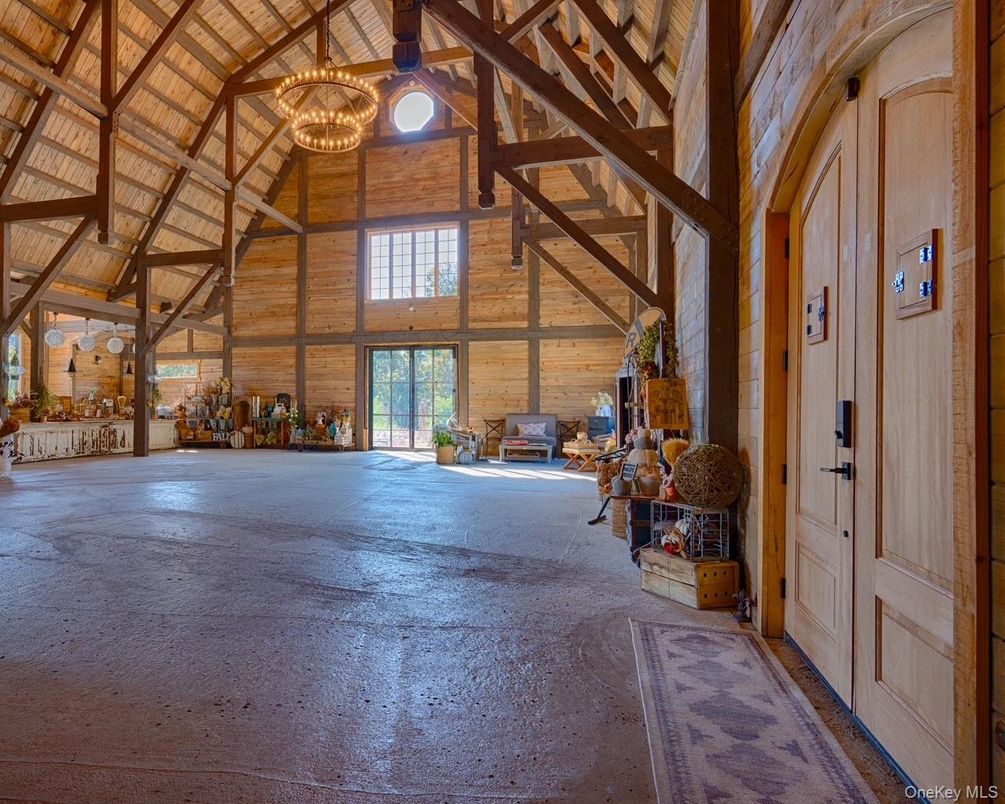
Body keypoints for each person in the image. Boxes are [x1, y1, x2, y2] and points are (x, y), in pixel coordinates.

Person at [0, 412, 21, 478]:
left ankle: (4, 471)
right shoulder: (8, 435)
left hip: (5, 449)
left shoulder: (6, 436)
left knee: (4, 459)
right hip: (6, 449)